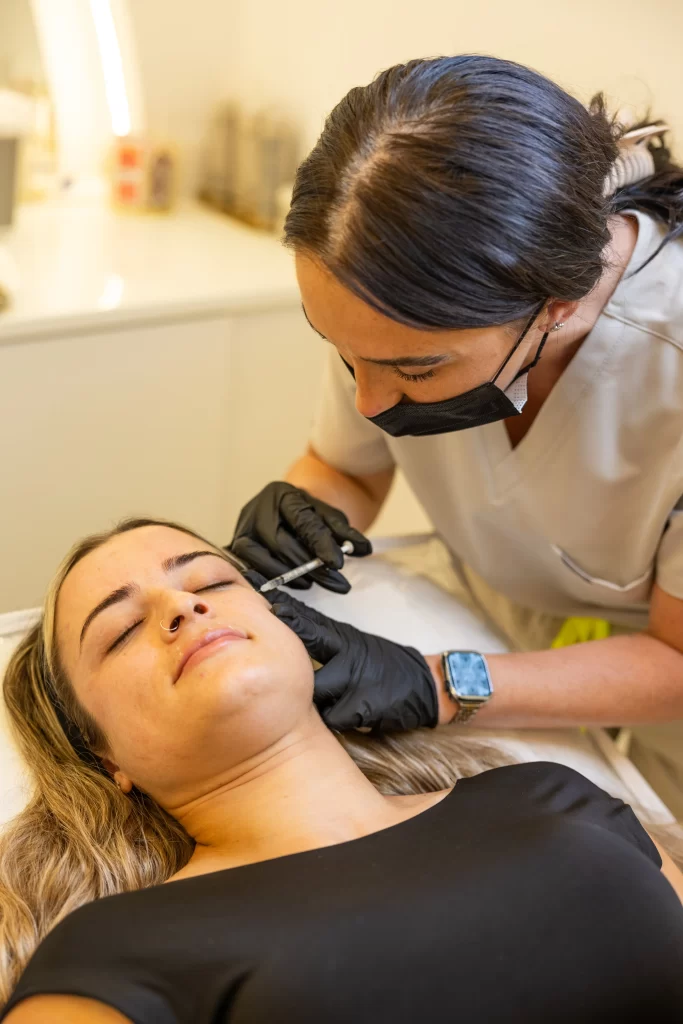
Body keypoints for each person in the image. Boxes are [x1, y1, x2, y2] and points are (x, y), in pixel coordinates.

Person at [1, 517, 682, 1023]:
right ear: (103, 755)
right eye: (120, 631)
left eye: (211, 581)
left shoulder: (546, 797)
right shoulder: (115, 954)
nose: (183, 606)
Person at [229, 54, 683, 814]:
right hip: (501, 627)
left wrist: (441, 684)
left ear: (556, 305)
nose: (369, 401)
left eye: (414, 372)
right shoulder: (391, 307)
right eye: (347, 357)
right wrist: (308, 501)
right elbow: (348, 467)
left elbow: (674, 656)